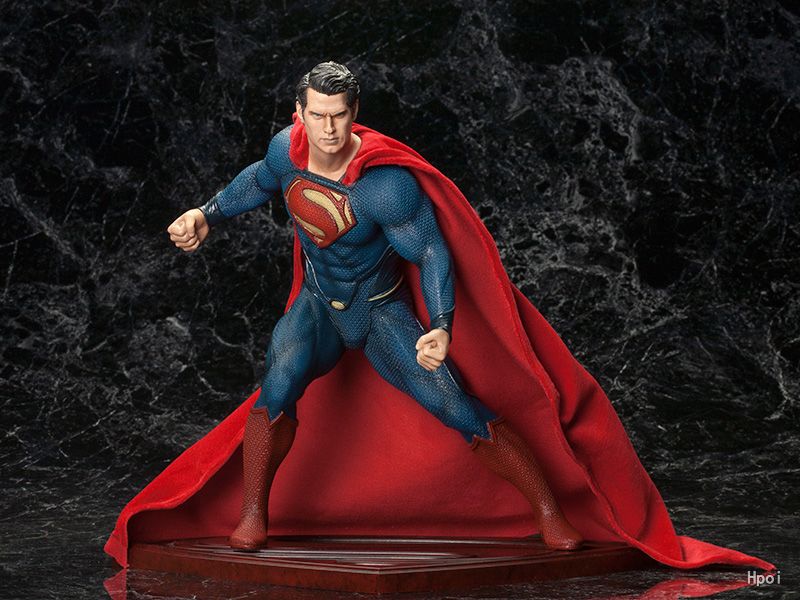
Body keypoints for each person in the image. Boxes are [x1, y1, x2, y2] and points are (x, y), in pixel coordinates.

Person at [167, 62, 583, 551]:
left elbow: (431, 252)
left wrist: (442, 325)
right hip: (320, 304)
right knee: (279, 380)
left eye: (339, 115)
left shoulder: (385, 186)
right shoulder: (286, 151)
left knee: (451, 402)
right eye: (317, 115)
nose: (328, 129)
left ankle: (549, 511)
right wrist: (207, 213)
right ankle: (253, 513)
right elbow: (259, 181)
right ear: (299, 112)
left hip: (380, 308)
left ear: (355, 112)